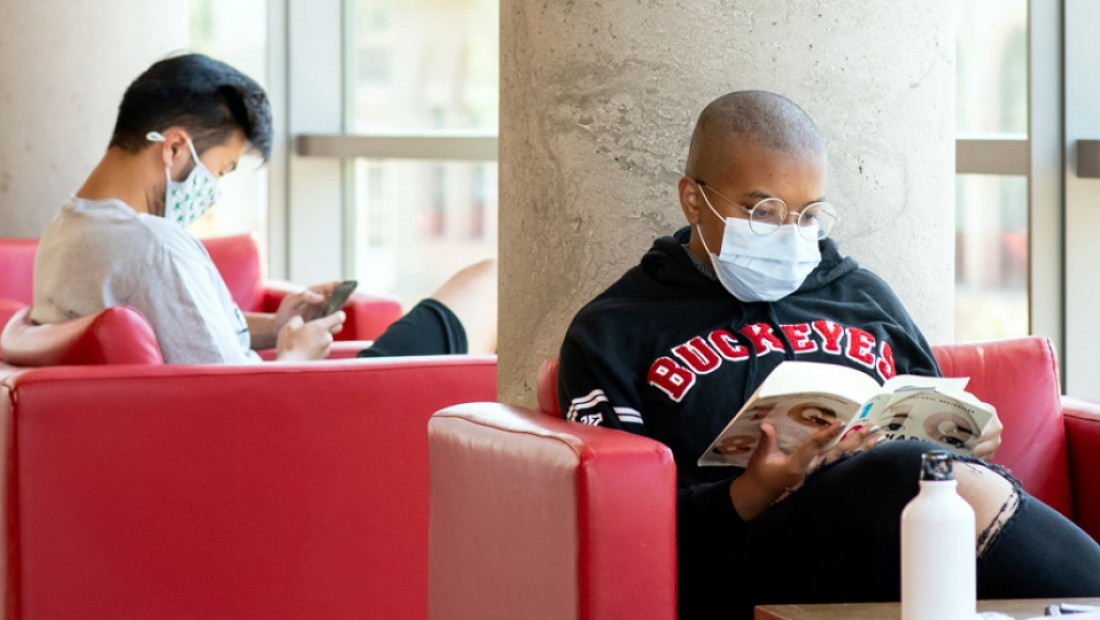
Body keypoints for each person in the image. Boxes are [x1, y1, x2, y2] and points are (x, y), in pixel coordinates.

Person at [556, 90, 1100, 619]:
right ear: (693, 198)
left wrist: (961, 439)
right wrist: (750, 491)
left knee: (923, 485)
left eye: (808, 215)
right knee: (900, 475)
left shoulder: (862, 296)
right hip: (735, 563)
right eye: (762, 211)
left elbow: (929, 426)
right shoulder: (613, 329)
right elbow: (620, 523)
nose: (791, 235)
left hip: (891, 548)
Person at [31, 53, 496, 364]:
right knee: (491, 282)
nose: (213, 189)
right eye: (222, 170)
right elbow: (233, 401)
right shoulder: (155, 248)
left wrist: (274, 329)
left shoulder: (65, 230)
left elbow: (180, 336)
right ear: (174, 148)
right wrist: (295, 358)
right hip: (308, 419)